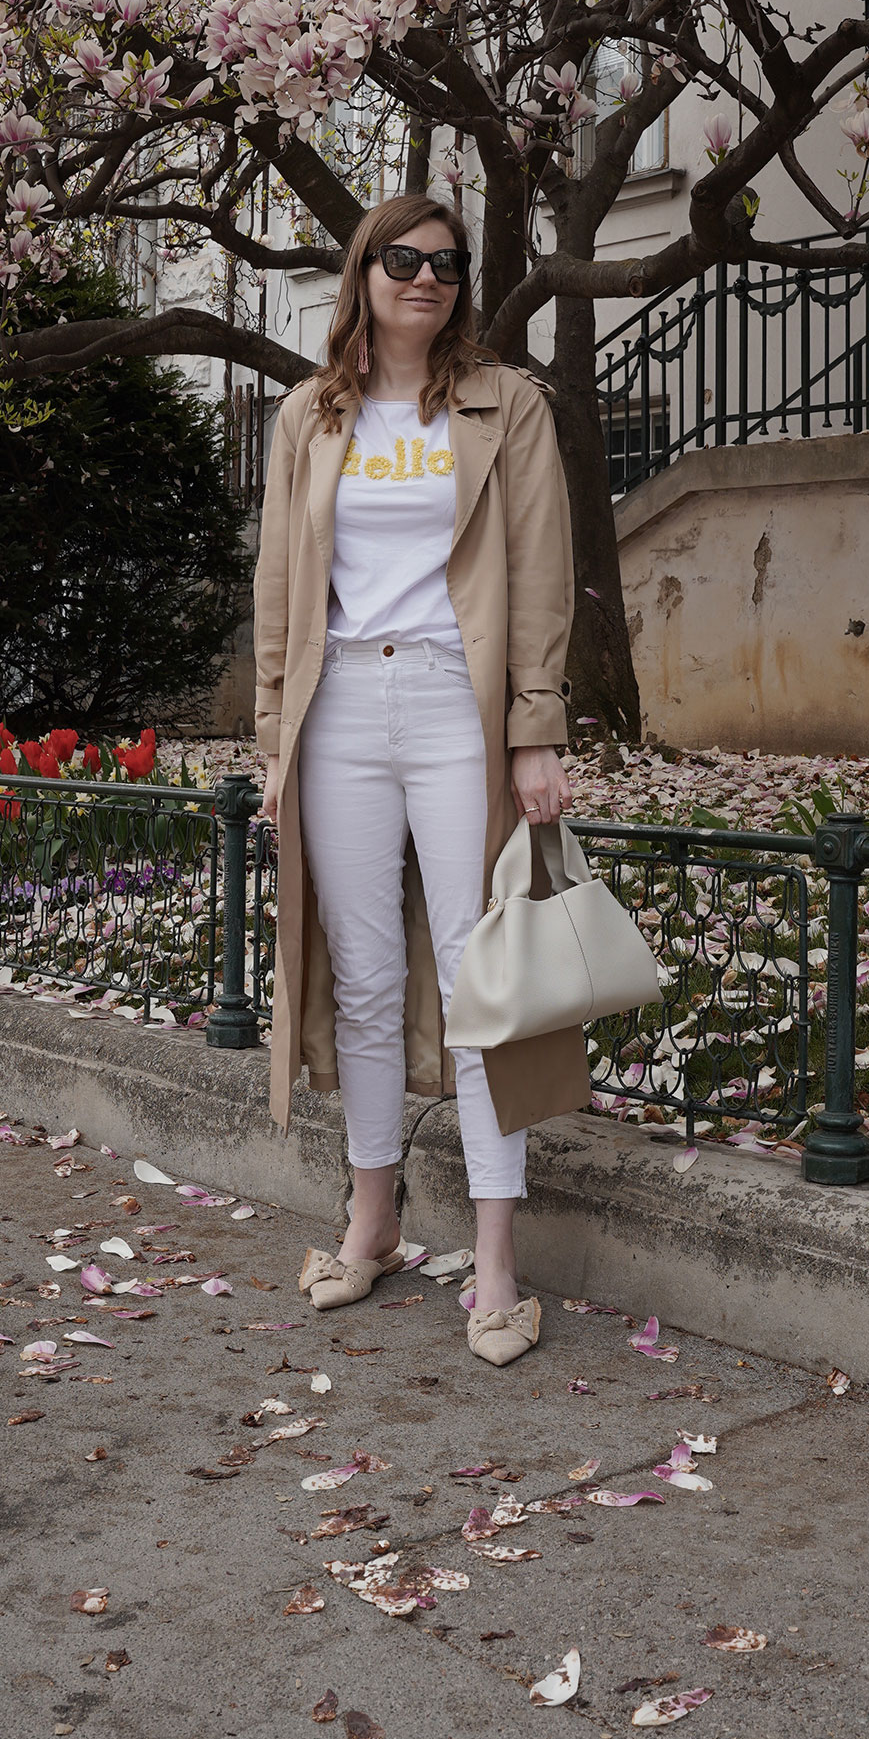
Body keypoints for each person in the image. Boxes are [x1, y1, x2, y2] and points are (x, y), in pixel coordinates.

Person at [253, 192, 591, 1366]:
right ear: (365, 271)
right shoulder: (311, 414)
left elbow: (542, 575)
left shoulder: (510, 407)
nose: (424, 278)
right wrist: (272, 742)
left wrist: (534, 730)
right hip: (339, 704)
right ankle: (374, 1220)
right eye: (402, 258)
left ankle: (496, 1260)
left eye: (446, 264)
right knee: (361, 975)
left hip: (457, 701)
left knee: (477, 972)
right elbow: (280, 589)